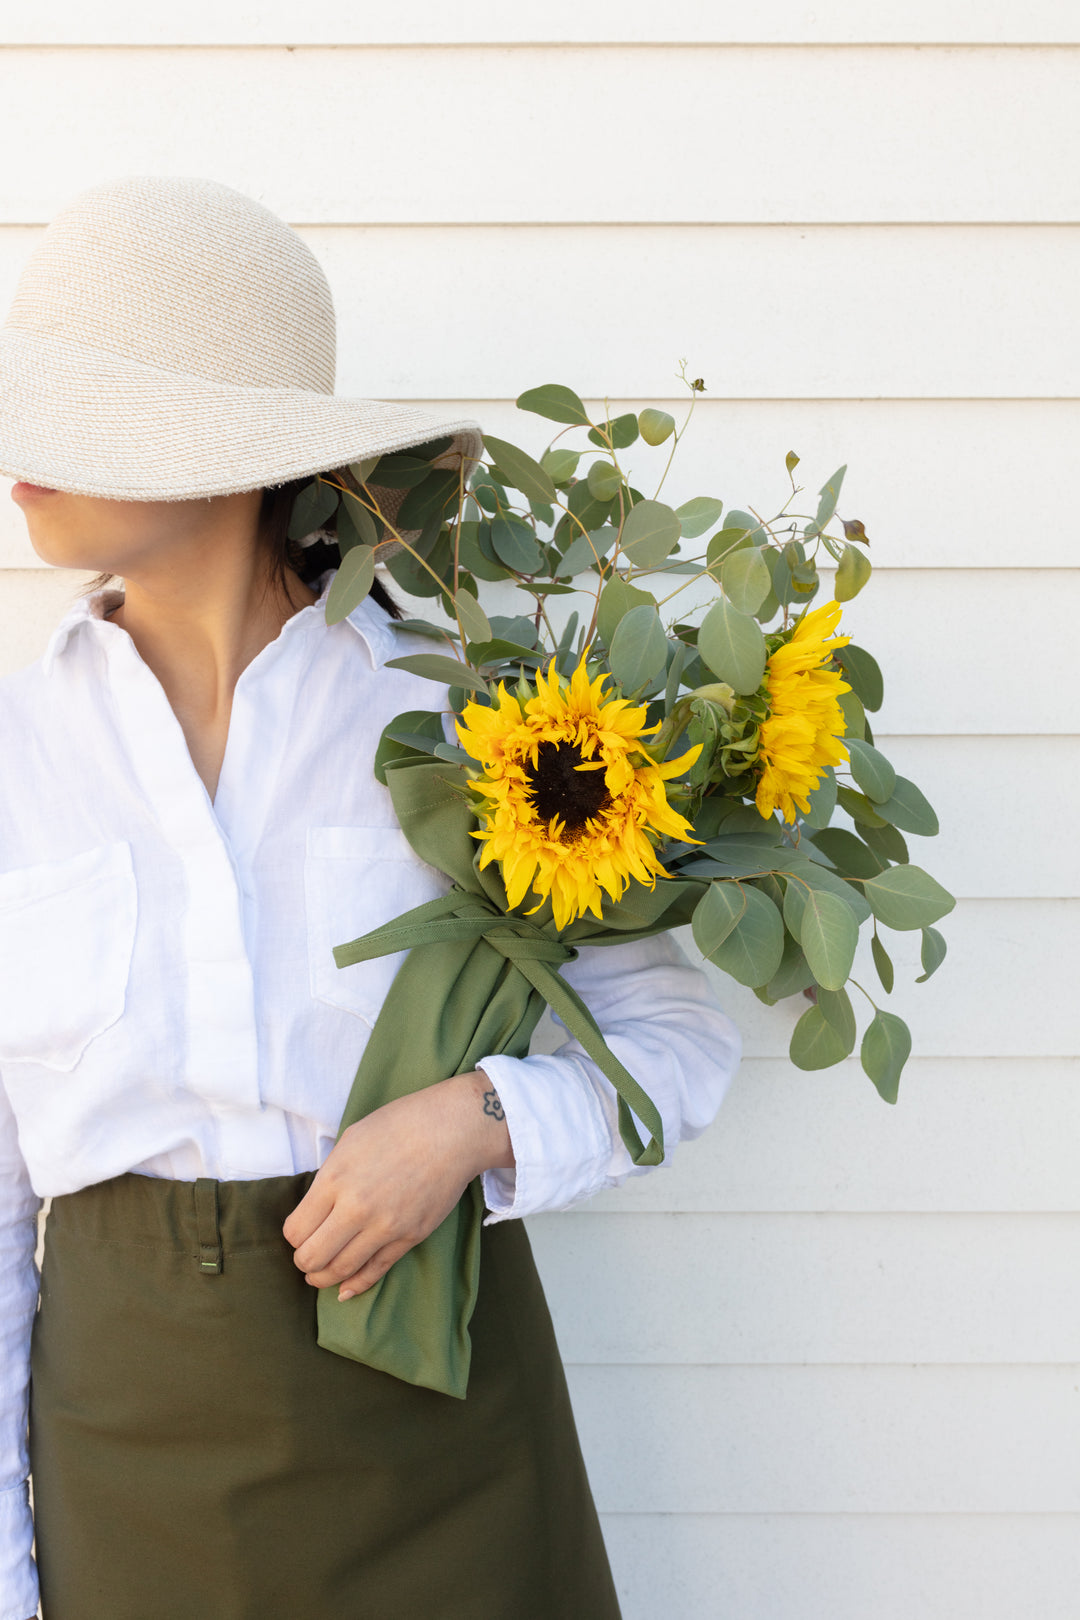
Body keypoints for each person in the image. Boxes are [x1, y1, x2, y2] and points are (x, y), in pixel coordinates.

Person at [0, 175, 742, 1620]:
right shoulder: (10, 765)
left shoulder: (473, 720)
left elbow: (673, 1041)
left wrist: (471, 1124)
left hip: (439, 1438)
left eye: (73, 409)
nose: (15, 445)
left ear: (225, 447)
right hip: (125, 1471)